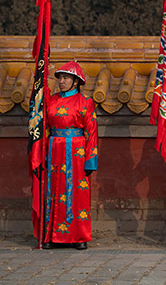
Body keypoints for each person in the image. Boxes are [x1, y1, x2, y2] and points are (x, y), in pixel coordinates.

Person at [43, 61, 98, 250]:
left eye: (66, 78)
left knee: (76, 193)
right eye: (59, 78)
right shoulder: (51, 100)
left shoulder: (85, 102)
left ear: (76, 81)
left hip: (76, 151)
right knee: (54, 190)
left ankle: (79, 236)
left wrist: (91, 159)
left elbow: (91, 131)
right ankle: (51, 235)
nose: (61, 81)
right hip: (54, 149)